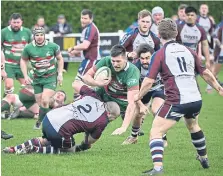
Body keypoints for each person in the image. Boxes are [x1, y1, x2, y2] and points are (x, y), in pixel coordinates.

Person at [134, 18, 223, 175]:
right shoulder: (189, 51)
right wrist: (218, 87)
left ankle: (158, 169)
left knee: (155, 132)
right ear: (176, 33)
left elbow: (148, 81)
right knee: (193, 125)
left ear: (159, 34)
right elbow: (205, 72)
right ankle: (204, 158)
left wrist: (138, 97)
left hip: (177, 101)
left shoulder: (160, 54)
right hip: (195, 99)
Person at [3, 81, 120, 155]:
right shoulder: (103, 120)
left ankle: (14, 148)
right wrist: (84, 145)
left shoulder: (92, 94)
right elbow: (89, 141)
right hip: (59, 129)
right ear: (109, 114)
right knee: (70, 150)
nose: (111, 121)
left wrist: (94, 82)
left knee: (46, 140)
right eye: (113, 118)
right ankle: (34, 149)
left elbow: (75, 83)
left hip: (49, 117)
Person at [81, 44, 142, 135]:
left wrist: (123, 127)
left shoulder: (132, 72)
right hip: (104, 92)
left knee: (99, 124)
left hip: (120, 100)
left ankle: (133, 133)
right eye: (113, 61)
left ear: (125, 59)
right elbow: (86, 77)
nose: (115, 64)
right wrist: (97, 83)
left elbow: (131, 103)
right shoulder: (106, 61)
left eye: (118, 61)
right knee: (81, 101)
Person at [20, 27, 64, 129]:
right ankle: (46, 117)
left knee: (44, 100)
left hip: (50, 77)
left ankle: (43, 123)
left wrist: (60, 74)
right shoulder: (28, 48)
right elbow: (23, 61)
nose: (39, 37)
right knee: (41, 102)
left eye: (41, 35)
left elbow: (60, 59)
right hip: (37, 79)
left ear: (44, 35)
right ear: (34, 36)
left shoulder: (53, 46)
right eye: (37, 35)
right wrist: (26, 76)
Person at [122, 43, 166, 145]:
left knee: (156, 110)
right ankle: (133, 137)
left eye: (147, 58)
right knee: (138, 114)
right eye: (142, 58)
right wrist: (141, 105)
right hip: (142, 90)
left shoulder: (160, 63)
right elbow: (133, 90)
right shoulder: (135, 67)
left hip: (158, 88)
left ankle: (163, 137)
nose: (145, 61)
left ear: (153, 55)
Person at [1, 13, 32, 95]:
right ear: (10, 22)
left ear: (22, 22)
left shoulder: (27, 32)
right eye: (14, 22)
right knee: (8, 86)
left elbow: (32, 48)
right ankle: (5, 105)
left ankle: (22, 106)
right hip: (8, 64)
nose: (16, 24)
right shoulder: (3, 32)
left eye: (18, 22)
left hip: (22, 64)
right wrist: (2, 68)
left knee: (27, 87)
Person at [68, 9, 100, 79]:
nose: (83, 20)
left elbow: (85, 45)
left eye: (85, 18)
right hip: (89, 59)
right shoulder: (87, 28)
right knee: (84, 84)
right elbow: (86, 47)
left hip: (91, 60)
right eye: (82, 18)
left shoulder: (90, 29)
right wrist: (75, 52)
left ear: (91, 19)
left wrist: (73, 48)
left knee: (78, 83)